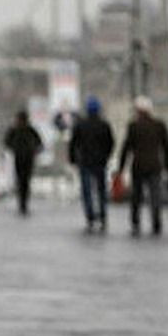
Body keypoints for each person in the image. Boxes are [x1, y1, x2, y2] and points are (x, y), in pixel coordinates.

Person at [118, 96, 168, 236]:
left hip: (138, 166)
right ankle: (156, 222)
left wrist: (121, 167)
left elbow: (127, 147)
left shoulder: (133, 126)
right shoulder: (159, 125)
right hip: (155, 165)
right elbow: (167, 147)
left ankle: (136, 222)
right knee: (155, 196)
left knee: (136, 196)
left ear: (138, 110)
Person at [68, 96, 114, 233]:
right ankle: (103, 216)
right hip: (100, 162)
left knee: (87, 191)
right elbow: (110, 143)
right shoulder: (104, 125)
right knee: (101, 191)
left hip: (85, 162)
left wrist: (73, 159)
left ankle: (90, 217)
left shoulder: (80, 125)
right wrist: (106, 156)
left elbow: (73, 143)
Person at [3, 110, 43, 215]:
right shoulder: (24, 130)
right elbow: (39, 142)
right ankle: (23, 204)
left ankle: (23, 203)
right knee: (23, 181)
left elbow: (7, 142)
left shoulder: (20, 130)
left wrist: (14, 148)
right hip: (24, 158)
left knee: (23, 181)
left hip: (24, 158)